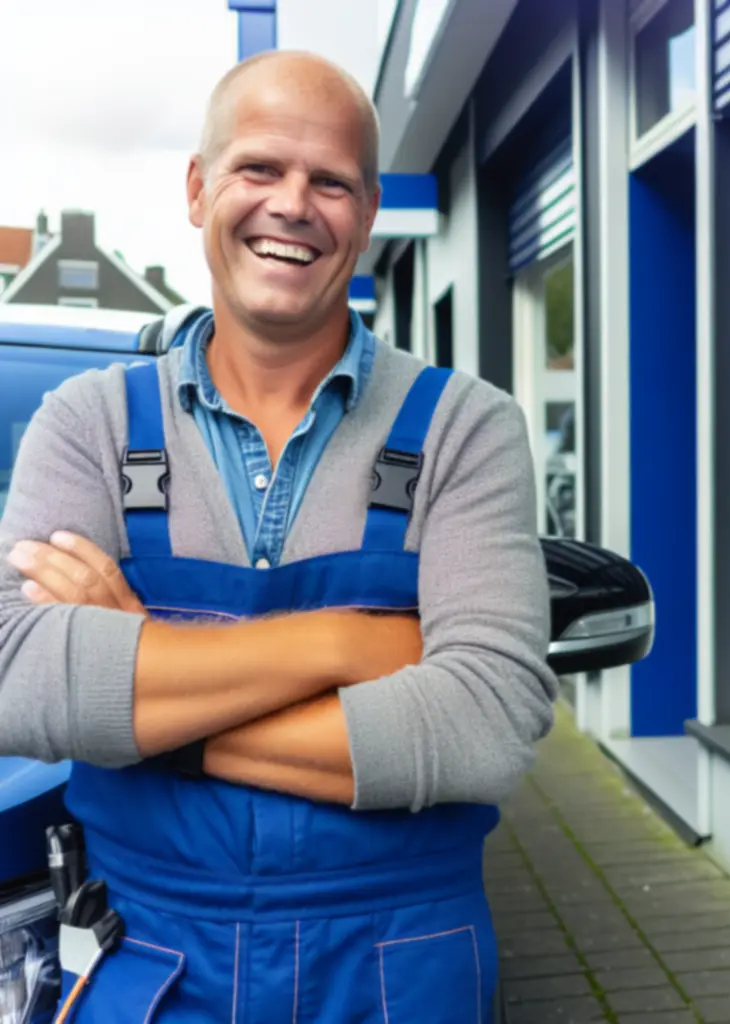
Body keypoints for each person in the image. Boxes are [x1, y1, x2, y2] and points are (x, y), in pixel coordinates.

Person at [0, 50, 557, 1023]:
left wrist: (141, 693)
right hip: (147, 962)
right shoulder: (84, 422)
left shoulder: (467, 428)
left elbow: (486, 725)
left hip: (401, 968)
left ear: (368, 208)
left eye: (329, 181)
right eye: (259, 168)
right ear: (197, 186)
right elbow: (13, 678)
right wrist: (343, 645)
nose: (292, 204)